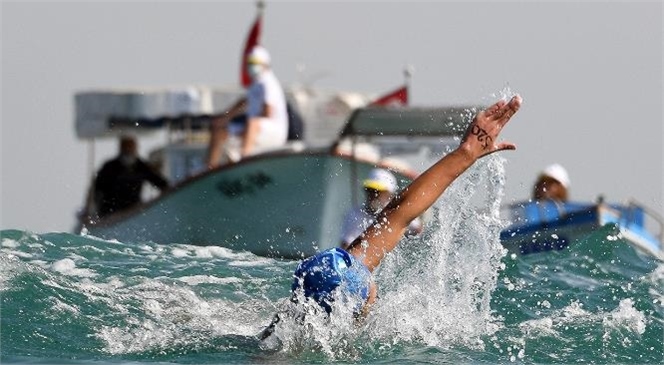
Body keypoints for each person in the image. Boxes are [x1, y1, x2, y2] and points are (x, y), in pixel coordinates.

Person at [260, 95, 523, 338]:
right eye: (368, 292)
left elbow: (399, 212)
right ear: (353, 308)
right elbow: (400, 211)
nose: (372, 291)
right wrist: (465, 154)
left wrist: (465, 153)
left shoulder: (279, 333)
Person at [206, 45, 289, 168]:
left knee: (252, 123)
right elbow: (244, 102)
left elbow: (268, 113)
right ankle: (211, 168)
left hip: (273, 130)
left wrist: (244, 128)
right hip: (255, 128)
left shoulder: (268, 83)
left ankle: (244, 160)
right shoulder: (255, 83)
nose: (251, 66)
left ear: (264, 64)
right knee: (219, 130)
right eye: (249, 63)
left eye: (254, 63)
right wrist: (225, 117)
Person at [339, 168, 422, 250]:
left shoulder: (401, 211)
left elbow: (419, 232)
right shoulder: (354, 215)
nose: (372, 195)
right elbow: (345, 247)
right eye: (369, 190)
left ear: (389, 195)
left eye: (377, 191)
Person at [92, 136, 169, 218]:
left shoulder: (141, 166)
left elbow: (160, 183)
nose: (129, 150)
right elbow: (97, 189)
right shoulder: (109, 167)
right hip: (111, 211)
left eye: (131, 147)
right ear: (121, 148)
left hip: (133, 211)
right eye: (126, 147)